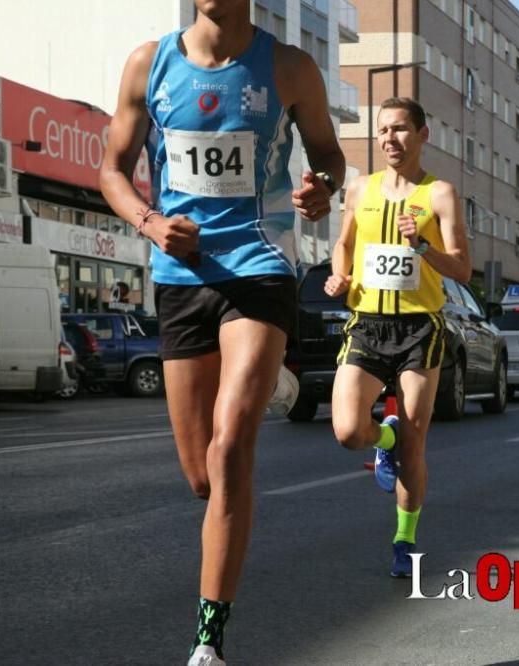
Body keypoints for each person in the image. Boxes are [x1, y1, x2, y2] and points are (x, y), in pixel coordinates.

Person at [100, 1, 344, 663]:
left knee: (233, 446)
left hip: (260, 262)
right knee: (202, 476)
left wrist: (320, 186)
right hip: (180, 275)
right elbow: (111, 171)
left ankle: (209, 643)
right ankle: (274, 379)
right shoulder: (149, 65)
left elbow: (328, 155)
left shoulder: (290, 67)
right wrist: (151, 224)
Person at [324, 97, 471, 578]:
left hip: (419, 328)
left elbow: (463, 269)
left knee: (415, 446)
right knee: (348, 431)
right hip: (367, 323)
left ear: (422, 135)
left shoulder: (440, 194)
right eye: (384, 130)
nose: (390, 139)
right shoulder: (360, 188)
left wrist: (422, 245)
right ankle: (381, 434)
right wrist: (339, 277)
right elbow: (343, 243)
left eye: (401, 129)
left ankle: (405, 540)